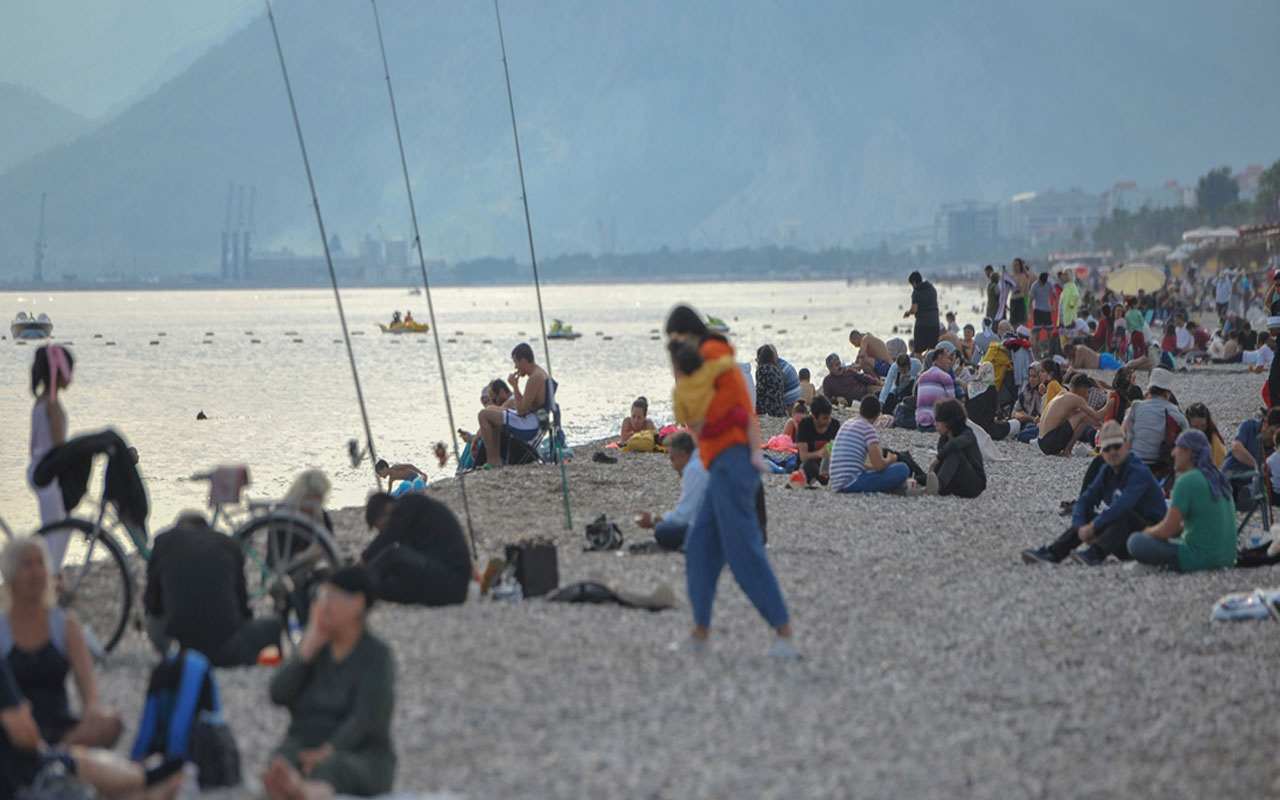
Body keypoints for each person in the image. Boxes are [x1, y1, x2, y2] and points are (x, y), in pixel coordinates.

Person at [664, 305, 796, 658]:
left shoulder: (709, 357)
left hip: (732, 461)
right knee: (700, 547)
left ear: (684, 335)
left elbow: (707, 416)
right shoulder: (713, 356)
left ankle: (784, 634)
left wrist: (680, 373)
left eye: (674, 340)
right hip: (722, 461)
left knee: (742, 551)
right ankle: (700, 634)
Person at [264, 566, 395, 799]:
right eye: (323, 597)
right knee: (282, 759)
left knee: (333, 769)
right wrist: (306, 650)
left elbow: (364, 719)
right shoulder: (315, 649)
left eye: (331, 598)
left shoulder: (377, 656)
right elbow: (278, 694)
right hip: (304, 745)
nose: (324, 605)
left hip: (361, 754)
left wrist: (327, 751)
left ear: (357, 604)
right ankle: (291, 787)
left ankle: (303, 792)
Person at [1, 647, 185, 800]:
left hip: (57, 732)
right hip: (22, 767)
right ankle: (150, 777)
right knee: (79, 764)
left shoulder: (61, 622)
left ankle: (147, 778)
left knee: (106, 728)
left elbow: (91, 701)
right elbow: (24, 735)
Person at [0, 537, 122, 747]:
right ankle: (56, 759)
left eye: (40, 563)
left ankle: (55, 756)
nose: (36, 571)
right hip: (17, 734)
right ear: (11, 576)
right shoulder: (3, 630)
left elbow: (87, 681)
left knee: (110, 722)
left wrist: (92, 712)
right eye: (27, 564)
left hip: (62, 728)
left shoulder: (65, 625)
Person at [144, 513, 284, 667]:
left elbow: (152, 605)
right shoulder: (229, 544)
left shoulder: (163, 542)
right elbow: (243, 608)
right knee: (275, 624)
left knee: (152, 622)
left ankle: (171, 654)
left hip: (180, 649)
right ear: (208, 529)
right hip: (227, 650)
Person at [1021, 422, 1167, 565]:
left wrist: (1093, 527)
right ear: (1102, 453)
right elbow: (1085, 500)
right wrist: (1080, 527)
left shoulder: (1138, 472)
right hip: (1123, 536)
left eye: (1117, 446)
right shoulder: (1107, 471)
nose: (1113, 452)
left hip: (1150, 538)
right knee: (1090, 515)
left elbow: (1123, 506)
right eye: (1108, 448)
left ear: (1127, 446)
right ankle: (1054, 553)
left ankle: (1095, 554)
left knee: (1125, 515)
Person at [1127, 430, 1238, 573]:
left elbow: (1168, 529)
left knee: (1135, 541)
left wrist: (1148, 532)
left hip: (1200, 559)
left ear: (1189, 452)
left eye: (1177, 447)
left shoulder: (1186, 481)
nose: (1173, 453)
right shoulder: (1217, 477)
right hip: (1227, 558)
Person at [359, 494, 470, 607]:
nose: (382, 531)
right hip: (441, 585)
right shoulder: (409, 529)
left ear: (388, 508)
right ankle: (354, 590)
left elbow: (387, 537)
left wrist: (363, 559)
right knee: (381, 587)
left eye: (381, 528)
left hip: (453, 581)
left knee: (394, 555)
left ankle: (356, 580)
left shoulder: (409, 503)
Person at [29, 344, 74, 570]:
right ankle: (50, 574)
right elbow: (59, 447)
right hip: (49, 473)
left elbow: (33, 445)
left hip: (37, 469)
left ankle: (50, 573)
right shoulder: (53, 405)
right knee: (56, 529)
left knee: (60, 525)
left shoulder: (40, 401)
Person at [476, 343, 548, 469]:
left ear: (523, 361)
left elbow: (521, 410)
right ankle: (495, 460)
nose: (516, 367)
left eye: (516, 362)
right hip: (532, 421)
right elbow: (524, 405)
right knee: (490, 410)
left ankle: (493, 461)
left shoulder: (535, 378)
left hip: (529, 426)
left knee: (483, 415)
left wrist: (514, 385)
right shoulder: (539, 374)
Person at [635, 431, 708, 550]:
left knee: (662, 531)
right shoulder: (700, 459)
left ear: (683, 455)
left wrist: (653, 520)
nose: (673, 466)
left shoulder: (693, 470)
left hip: (717, 527)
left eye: (673, 459)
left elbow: (683, 516)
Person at [829, 396, 909, 494]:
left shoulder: (847, 424)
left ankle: (894, 489)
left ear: (860, 409)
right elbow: (879, 465)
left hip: (837, 482)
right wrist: (890, 460)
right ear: (877, 416)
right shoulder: (867, 429)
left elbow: (854, 463)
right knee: (903, 469)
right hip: (851, 483)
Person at [1123, 368, 1187, 467]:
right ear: (1168, 392)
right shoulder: (1173, 411)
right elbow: (1187, 432)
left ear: (1149, 390)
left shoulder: (1136, 407)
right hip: (1159, 465)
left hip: (1134, 461)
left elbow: (1126, 432)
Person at [922, 399, 986, 497]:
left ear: (948, 421)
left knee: (953, 451)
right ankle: (933, 485)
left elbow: (954, 445)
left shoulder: (967, 434)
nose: (936, 424)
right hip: (955, 483)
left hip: (974, 484)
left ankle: (938, 485)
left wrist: (938, 458)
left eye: (938, 420)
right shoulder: (943, 439)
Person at [1037, 373, 1105, 456]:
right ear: (1082, 390)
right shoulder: (1077, 399)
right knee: (1083, 414)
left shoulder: (1062, 394)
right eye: (1087, 392)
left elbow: (1089, 420)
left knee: (1081, 416)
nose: (1087, 396)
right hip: (1050, 442)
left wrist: (1102, 425)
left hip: (1041, 442)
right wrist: (1110, 403)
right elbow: (1097, 416)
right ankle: (1067, 451)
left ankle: (1066, 450)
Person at [1221, 407, 1280, 476]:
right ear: (1265, 423)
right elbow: (1236, 447)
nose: (1273, 438)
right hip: (1231, 475)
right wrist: (1255, 464)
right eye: (1272, 432)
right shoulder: (1249, 426)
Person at [796, 396, 840, 483]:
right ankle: (823, 479)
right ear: (814, 417)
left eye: (829, 416)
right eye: (824, 418)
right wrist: (819, 453)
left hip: (829, 466)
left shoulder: (835, 425)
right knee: (808, 465)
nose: (828, 420)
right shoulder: (805, 425)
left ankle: (826, 477)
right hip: (809, 465)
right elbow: (803, 456)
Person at [914, 344, 958, 431]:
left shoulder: (922, 376)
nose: (950, 362)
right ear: (940, 358)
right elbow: (952, 404)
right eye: (947, 358)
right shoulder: (945, 377)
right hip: (936, 423)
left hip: (920, 422)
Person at [904, 271, 940, 352]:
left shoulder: (916, 292)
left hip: (922, 324)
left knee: (918, 351)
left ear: (913, 282)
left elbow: (914, 309)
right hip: (935, 323)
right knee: (932, 350)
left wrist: (908, 313)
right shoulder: (932, 288)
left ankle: (919, 365)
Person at [1185, 403, 1227, 467]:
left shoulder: (1215, 441)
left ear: (1207, 424)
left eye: (1203, 426)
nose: (1199, 431)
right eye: (1195, 427)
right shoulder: (1182, 438)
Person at [753, 346, 788, 417]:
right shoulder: (776, 369)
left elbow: (760, 391)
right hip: (780, 407)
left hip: (769, 408)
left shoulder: (761, 369)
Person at [1029, 272, 1054, 353]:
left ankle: (1050, 351)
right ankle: (1037, 352)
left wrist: (1054, 306)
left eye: (1044, 283)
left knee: (1049, 334)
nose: (1043, 284)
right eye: (1042, 282)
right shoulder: (1034, 286)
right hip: (1038, 311)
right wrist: (1030, 315)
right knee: (1037, 335)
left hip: (1047, 310)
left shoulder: (1049, 284)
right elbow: (1030, 302)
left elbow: (1056, 297)